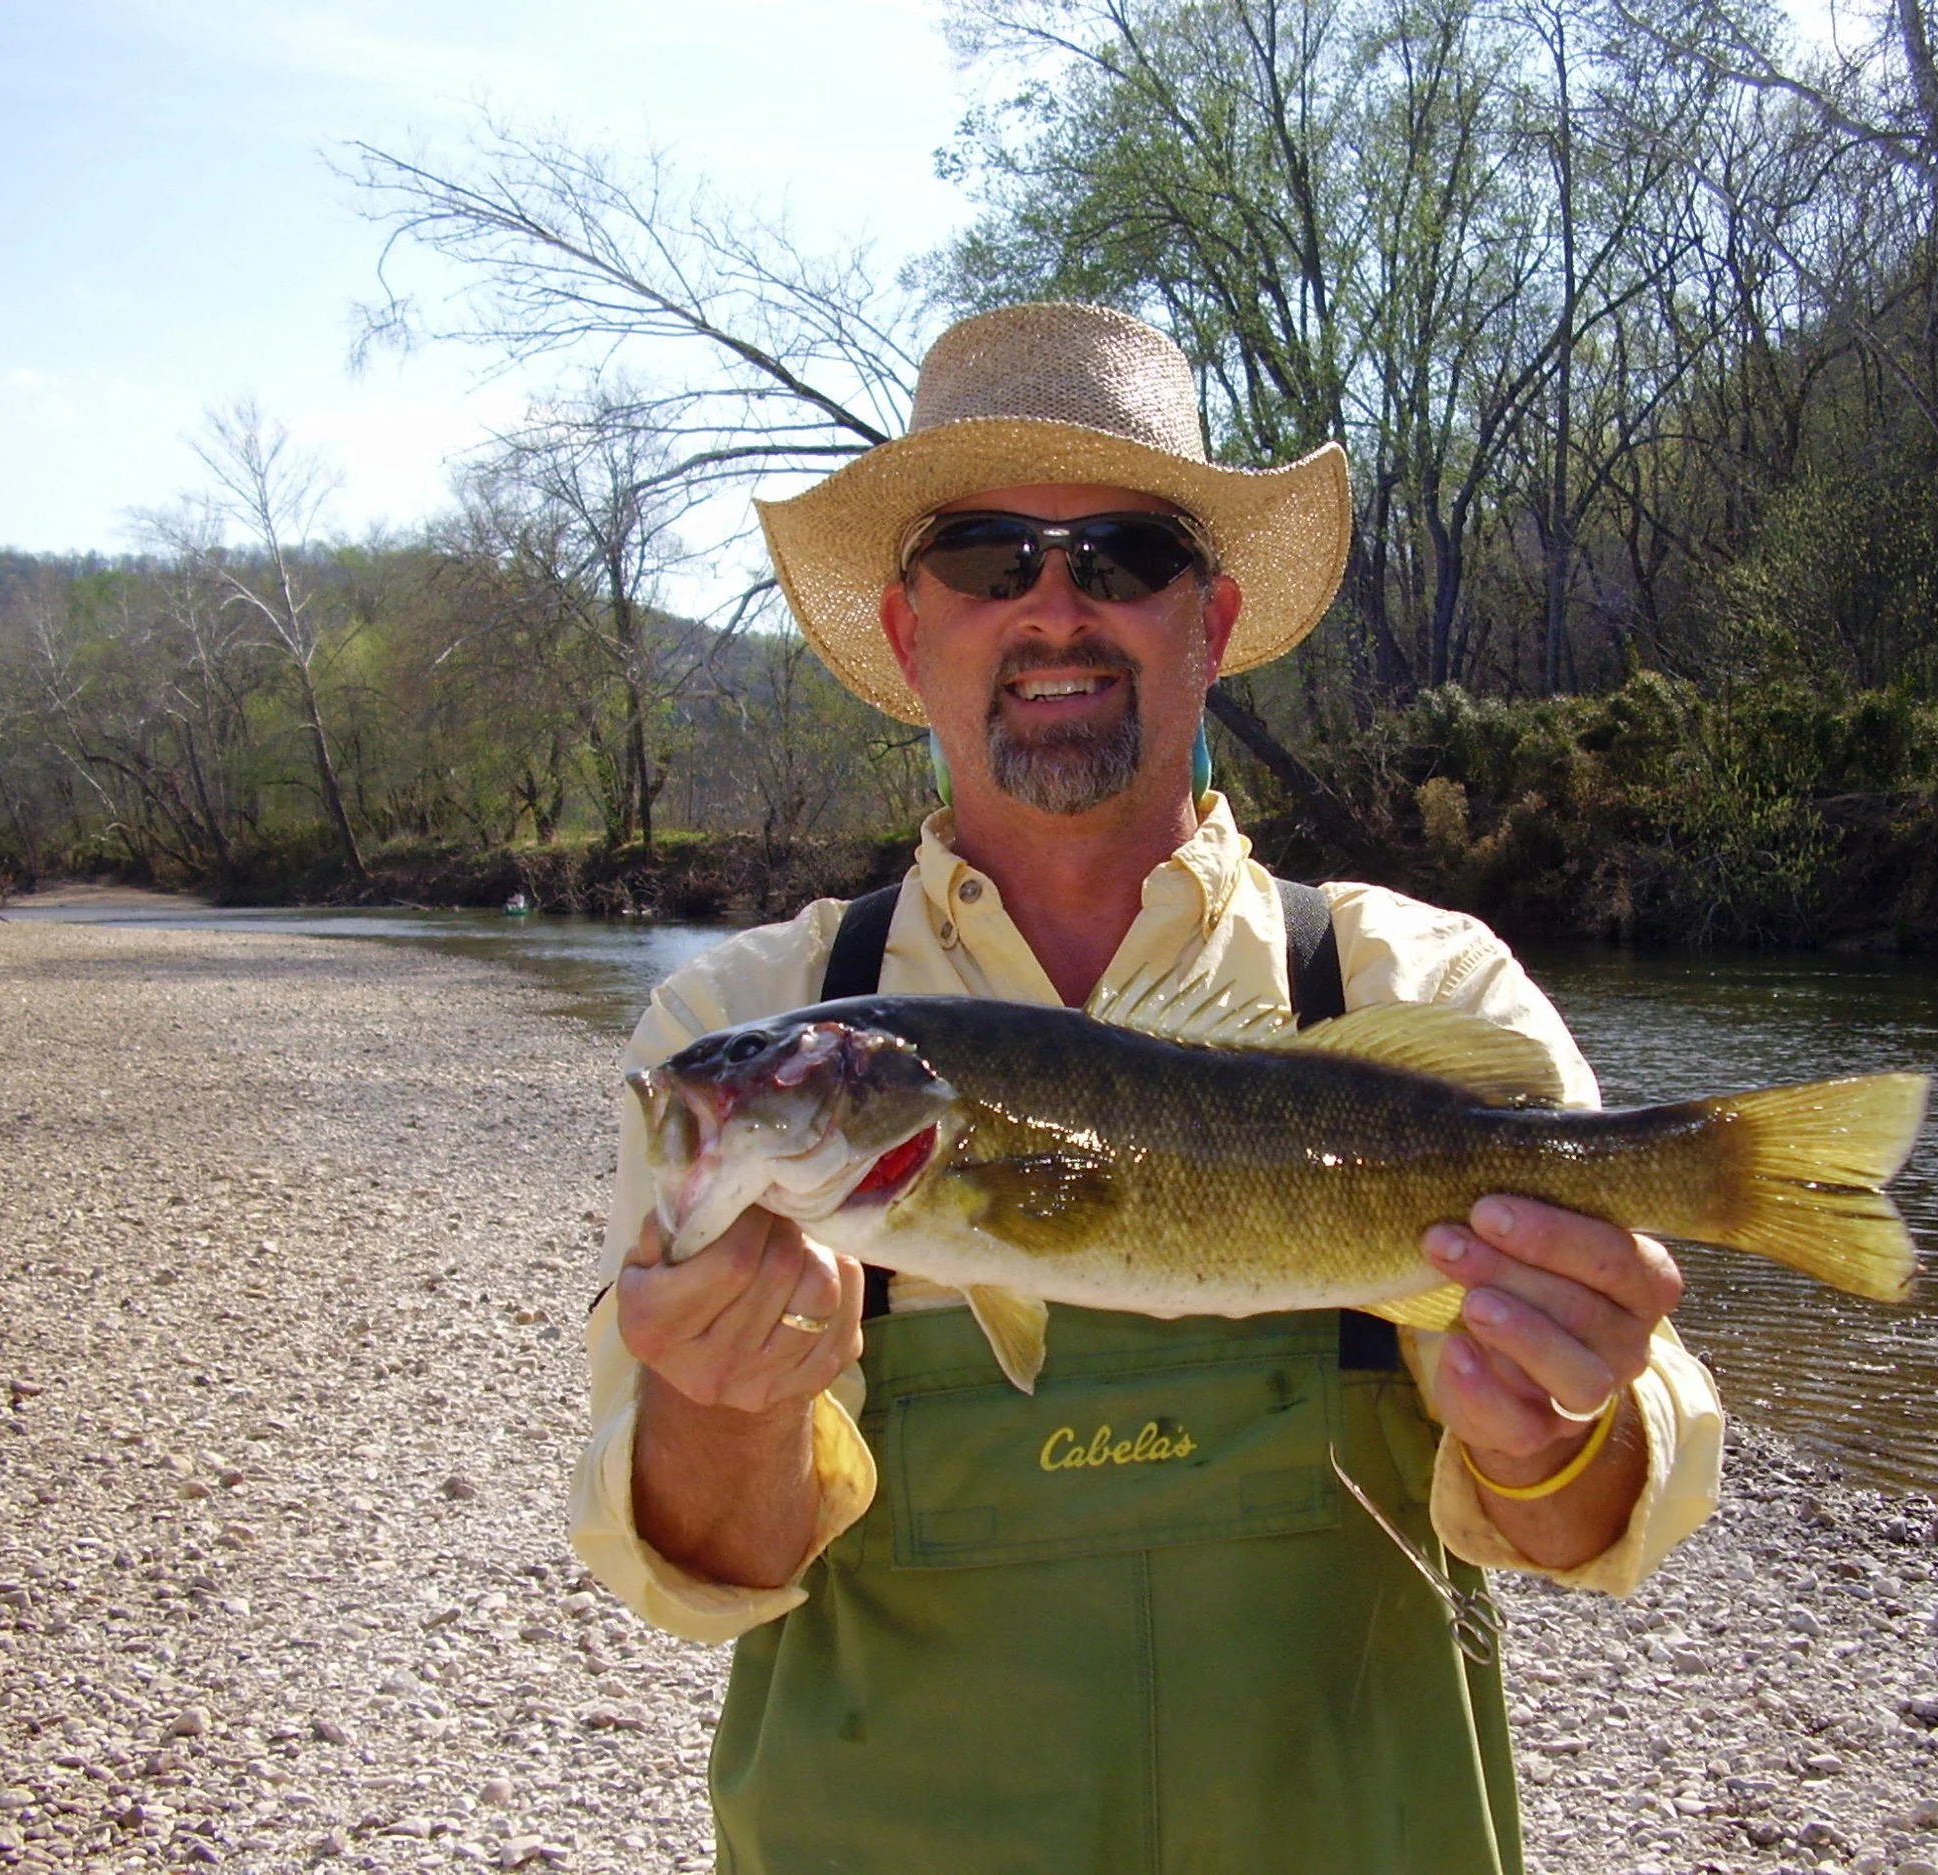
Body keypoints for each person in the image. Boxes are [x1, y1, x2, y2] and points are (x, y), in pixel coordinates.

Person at [571, 302, 1724, 1873]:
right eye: (988, 556)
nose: (1055, 606)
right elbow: (702, 1564)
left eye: (1122, 554)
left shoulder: (1415, 988)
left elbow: (1611, 1518)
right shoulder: (742, 1015)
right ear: (911, 632)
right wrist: (723, 1408)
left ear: (1214, 621)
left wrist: (1550, 1435)